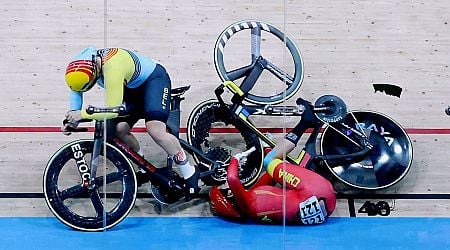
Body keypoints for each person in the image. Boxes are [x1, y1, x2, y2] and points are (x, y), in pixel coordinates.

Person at [62, 46, 200, 200]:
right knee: (119, 130)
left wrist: (82, 114)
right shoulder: (79, 68)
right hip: (131, 89)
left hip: (154, 81)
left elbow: (112, 110)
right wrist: (71, 119)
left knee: (155, 130)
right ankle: (143, 168)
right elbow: (76, 91)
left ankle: (190, 171)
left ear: (95, 68)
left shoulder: (112, 66)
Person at [210, 148, 336, 225]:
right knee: (269, 161)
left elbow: (271, 176)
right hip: (316, 190)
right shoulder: (248, 203)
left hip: (327, 209)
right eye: (223, 186)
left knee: (277, 164)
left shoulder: (253, 206)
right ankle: (303, 125)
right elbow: (232, 178)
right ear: (231, 193)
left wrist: (267, 149)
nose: (223, 183)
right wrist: (235, 159)